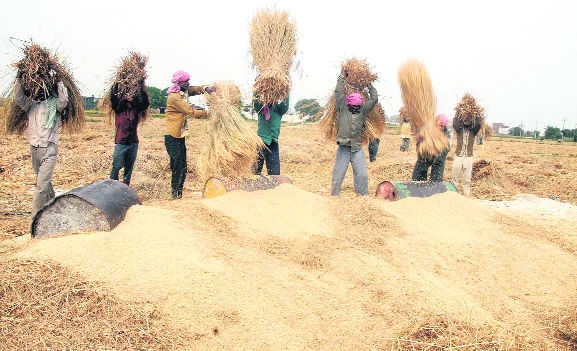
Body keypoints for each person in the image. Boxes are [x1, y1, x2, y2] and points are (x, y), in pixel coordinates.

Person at [14, 79, 69, 217]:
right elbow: (18, 98)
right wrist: (19, 80)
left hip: (49, 149)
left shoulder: (54, 104)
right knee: (43, 182)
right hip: (35, 149)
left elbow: (64, 100)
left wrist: (59, 82)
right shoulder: (31, 105)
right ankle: (54, 206)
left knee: (41, 186)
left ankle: (35, 218)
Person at [164, 70, 213, 199]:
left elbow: (194, 89)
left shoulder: (183, 91)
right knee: (177, 166)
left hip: (180, 135)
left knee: (183, 166)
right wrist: (208, 113)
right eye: (186, 81)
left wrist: (205, 88)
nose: (188, 83)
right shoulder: (174, 97)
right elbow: (189, 110)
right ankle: (175, 194)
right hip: (172, 136)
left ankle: (178, 193)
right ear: (180, 83)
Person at [330, 69, 378, 195]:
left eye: (358, 106)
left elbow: (374, 99)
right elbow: (339, 91)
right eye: (354, 106)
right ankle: (334, 195)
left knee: (362, 174)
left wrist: (369, 86)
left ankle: (362, 195)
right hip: (343, 148)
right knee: (338, 174)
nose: (356, 108)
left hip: (357, 148)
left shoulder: (363, 110)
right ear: (349, 104)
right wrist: (342, 77)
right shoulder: (343, 107)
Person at [109, 81, 149, 186]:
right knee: (116, 166)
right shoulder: (119, 108)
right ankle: (112, 186)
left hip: (133, 142)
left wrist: (141, 86)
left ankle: (125, 187)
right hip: (121, 141)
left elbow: (145, 103)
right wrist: (117, 83)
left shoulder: (136, 107)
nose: (130, 96)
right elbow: (113, 98)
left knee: (129, 168)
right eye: (128, 94)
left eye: (132, 94)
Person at [252, 94, 290, 175]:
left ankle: (274, 185)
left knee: (274, 172)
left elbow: (285, 104)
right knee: (254, 170)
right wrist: (257, 89)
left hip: (273, 143)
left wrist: (286, 90)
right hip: (260, 142)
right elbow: (255, 101)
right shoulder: (261, 108)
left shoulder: (279, 109)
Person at [411, 114, 450, 182]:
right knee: (419, 175)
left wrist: (438, 154)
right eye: (440, 125)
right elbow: (418, 141)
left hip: (439, 157)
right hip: (424, 156)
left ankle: (435, 185)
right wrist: (421, 141)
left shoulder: (445, 134)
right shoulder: (427, 129)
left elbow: (446, 148)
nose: (442, 127)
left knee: (437, 177)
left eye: (443, 126)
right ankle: (418, 183)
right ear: (436, 121)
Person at [452, 111, 482, 196]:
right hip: (458, 155)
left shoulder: (473, 131)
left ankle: (466, 196)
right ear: (462, 119)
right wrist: (458, 112)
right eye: (465, 118)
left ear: (471, 121)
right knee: (455, 177)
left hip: (468, 157)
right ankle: (454, 195)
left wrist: (477, 114)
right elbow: (455, 122)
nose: (466, 120)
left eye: (468, 119)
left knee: (467, 179)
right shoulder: (459, 129)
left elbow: (479, 124)